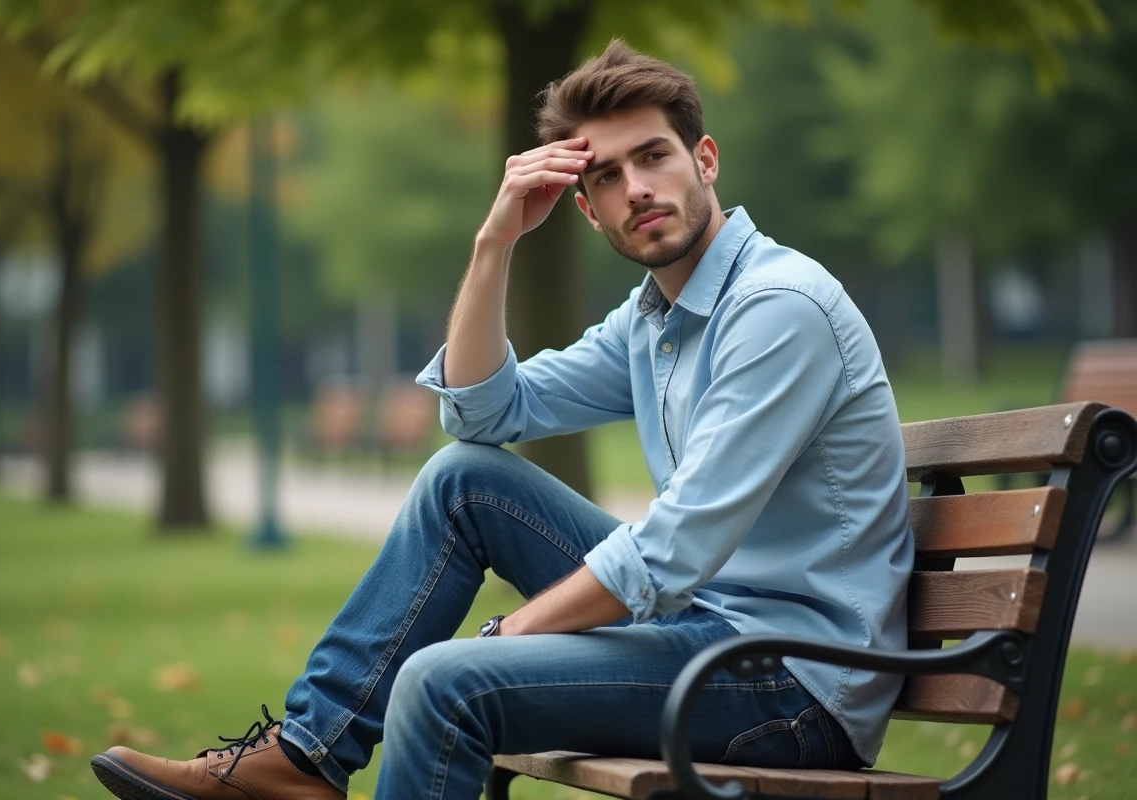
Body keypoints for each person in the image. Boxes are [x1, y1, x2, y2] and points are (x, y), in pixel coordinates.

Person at [90, 39, 914, 800]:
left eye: (653, 157)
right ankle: (306, 758)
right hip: (708, 633)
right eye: (606, 177)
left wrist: (509, 633)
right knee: (463, 482)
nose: (636, 189)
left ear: (705, 159)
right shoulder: (653, 321)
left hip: (794, 685)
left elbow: (676, 547)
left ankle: (305, 761)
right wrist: (496, 242)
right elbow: (485, 412)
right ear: (587, 210)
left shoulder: (776, 309)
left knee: (442, 681)